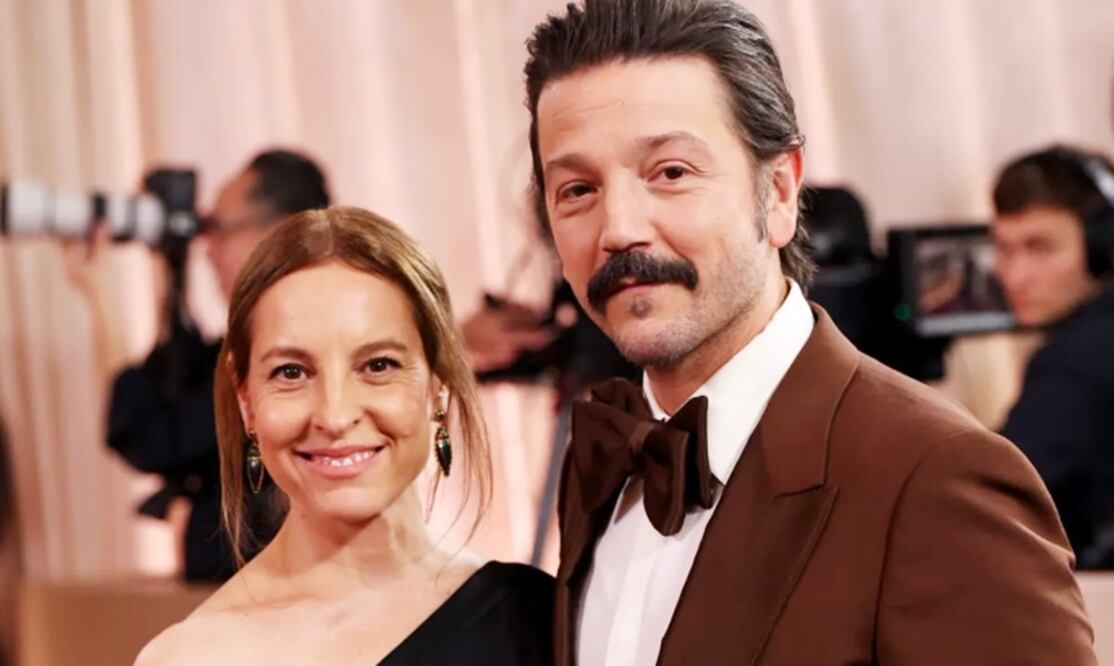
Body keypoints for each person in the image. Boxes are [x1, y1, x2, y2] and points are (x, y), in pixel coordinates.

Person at [523, 1, 1096, 663]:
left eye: (671, 173)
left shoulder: (937, 477)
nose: (617, 227)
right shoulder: (601, 464)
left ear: (781, 192)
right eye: (577, 190)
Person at [135, 206, 554, 665]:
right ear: (246, 399)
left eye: (378, 366)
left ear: (438, 383)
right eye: (291, 372)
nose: (334, 415)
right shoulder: (192, 656)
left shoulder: (535, 619)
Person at [68, 149, 331, 581]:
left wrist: (103, 302)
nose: (207, 249)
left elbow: (156, 436)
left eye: (219, 230)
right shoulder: (265, 339)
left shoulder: (285, 355)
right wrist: (160, 272)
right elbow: (174, 386)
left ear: (280, 231)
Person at [991, 145, 1114, 569]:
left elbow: (996, 499)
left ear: (1102, 248)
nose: (1015, 275)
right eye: (1004, 250)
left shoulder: (1073, 361)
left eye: (1040, 248)